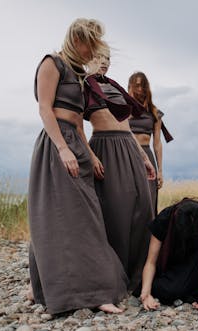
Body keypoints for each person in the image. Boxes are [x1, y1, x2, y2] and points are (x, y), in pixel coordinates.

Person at [28, 18, 127, 314]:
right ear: (78, 39)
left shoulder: (80, 74)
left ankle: (94, 288)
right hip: (56, 142)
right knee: (59, 219)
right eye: (91, 44)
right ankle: (61, 290)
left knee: (88, 219)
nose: (93, 50)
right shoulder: (52, 62)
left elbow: (79, 122)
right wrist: (62, 148)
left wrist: (89, 154)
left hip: (76, 144)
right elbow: (45, 109)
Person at [84, 46, 156, 292]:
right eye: (98, 58)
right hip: (103, 146)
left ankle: (138, 275)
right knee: (114, 210)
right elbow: (75, 126)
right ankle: (114, 274)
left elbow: (126, 126)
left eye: (107, 59)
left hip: (127, 145)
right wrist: (90, 156)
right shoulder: (83, 85)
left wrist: (144, 158)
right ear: (86, 58)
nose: (104, 63)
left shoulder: (115, 86)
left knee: (143, 207)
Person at [128, 72, 173, 214]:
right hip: (127, 153)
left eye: (142, 85)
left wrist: (160, 170)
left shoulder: (154, 112)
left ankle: (148, 234)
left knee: (148, 199)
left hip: (147, 152)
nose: (138, 89)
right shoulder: (124, 109)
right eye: (135, 85)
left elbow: (157, 143)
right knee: (129, 197)